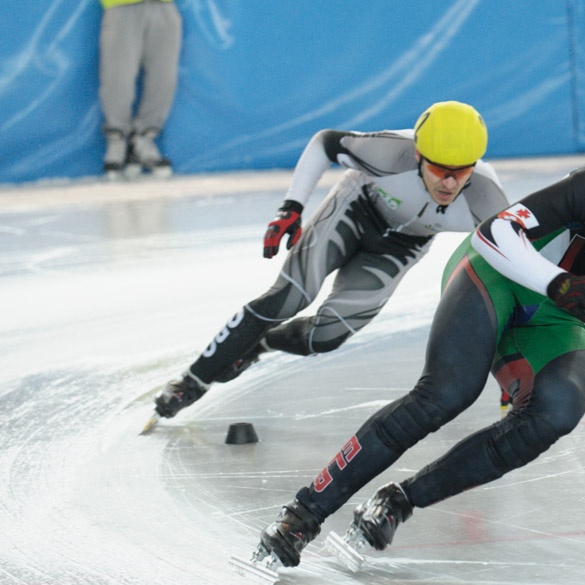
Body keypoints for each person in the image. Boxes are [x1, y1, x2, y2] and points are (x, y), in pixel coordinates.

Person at [253, 115, 585, 570]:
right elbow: (494, 234)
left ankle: (398, 501)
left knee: (556, 411)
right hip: (495, 274)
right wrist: (556, 281)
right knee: (446, 394)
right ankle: (302, 515)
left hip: (555, 306)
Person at [151, 101, 508, 423]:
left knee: (327, 336)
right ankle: (191, 381)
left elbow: (512, 267)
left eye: (461, 172)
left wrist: (508, 363)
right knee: (289, 297)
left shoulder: (486, 197)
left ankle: (259, 344)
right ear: (417, 155)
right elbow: (325, 142)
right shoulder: (388, 153)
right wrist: (291, 206)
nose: (448, 183)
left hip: (401, 247)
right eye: (438, 169)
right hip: (355, 208)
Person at [98, 0, 182, 180]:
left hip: (164, 6)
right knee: (118, 75)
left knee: (164, 76)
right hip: (121, 6)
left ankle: (144, 140)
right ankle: (117, 139)